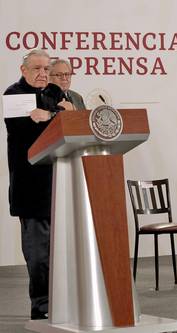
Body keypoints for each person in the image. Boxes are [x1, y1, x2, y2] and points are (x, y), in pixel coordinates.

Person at [3, 49, 73, 319]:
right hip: (31, 191)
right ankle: (41, 307)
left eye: (47, 69)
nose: (43, 73)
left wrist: (51, 113)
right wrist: (57, 116)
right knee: (38, 255)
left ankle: (62, 303)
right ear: (23, 70)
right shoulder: (14, 94)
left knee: (61, 253)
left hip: (59, 187)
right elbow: (31, 132)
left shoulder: (50, 93)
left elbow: (58, 120)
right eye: (37, 68)